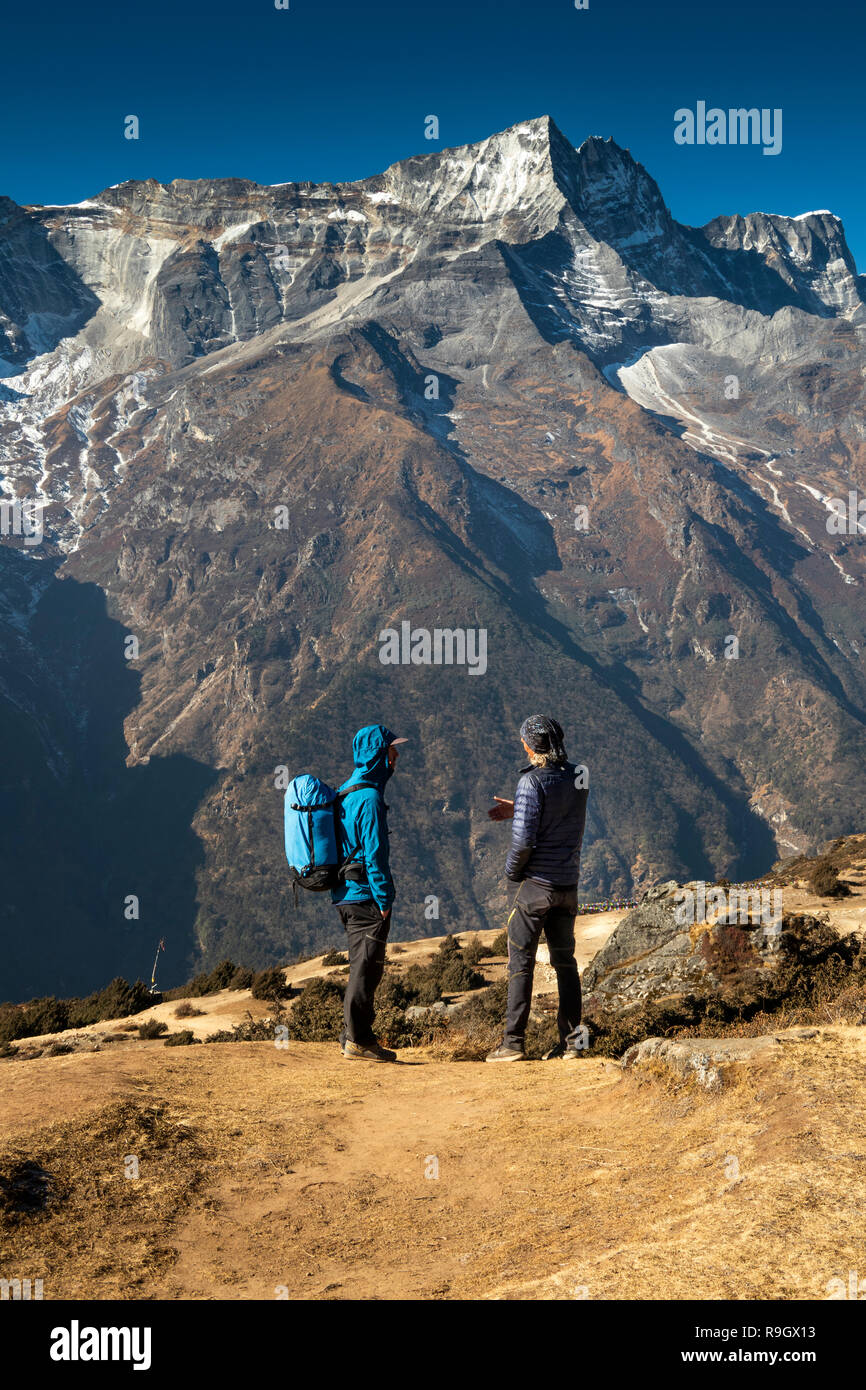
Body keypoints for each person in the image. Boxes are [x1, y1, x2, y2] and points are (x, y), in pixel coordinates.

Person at [485, 716, 588, 1062]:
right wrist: (521, 810)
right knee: (565, 962)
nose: (523, 747)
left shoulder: (531, 782)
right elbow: (563, 815)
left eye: (524, 742)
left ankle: (513, 1043)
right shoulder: (579, 776)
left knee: (521, 961)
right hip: (568, 885)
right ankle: (573, 1043)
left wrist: (513, 873)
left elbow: (524, 841)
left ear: (531, 746)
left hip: (537, 888)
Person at [331, 724, 407, 1062]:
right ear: (379, 755)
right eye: (392, 750)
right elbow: (375, 855)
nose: (397, 756)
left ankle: (353, 1034)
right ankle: (359, 1040)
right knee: (367, 969)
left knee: (359, 966)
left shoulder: (345, 791)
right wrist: (385, 901)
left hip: (344, 895)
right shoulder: (370, 798)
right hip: (365, 896)